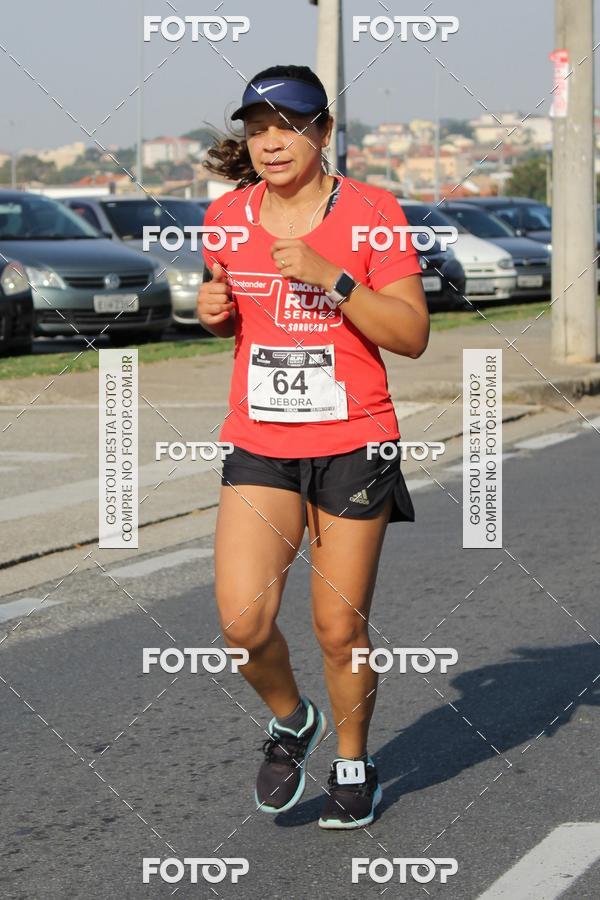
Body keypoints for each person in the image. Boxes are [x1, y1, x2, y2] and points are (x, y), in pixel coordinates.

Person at [197, 64, 429, 829]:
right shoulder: (227, 217)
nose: (270, 142)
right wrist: (212, 311)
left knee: (338, 627)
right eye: (257, 128)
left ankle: (354, 761)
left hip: (354, 441)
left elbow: (413, 336)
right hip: (260, 441)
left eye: (288, 125)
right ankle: (292, 719)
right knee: (243, 622)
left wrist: (334, 279)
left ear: (323, 131)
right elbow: (233, 311)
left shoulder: (372, 212)